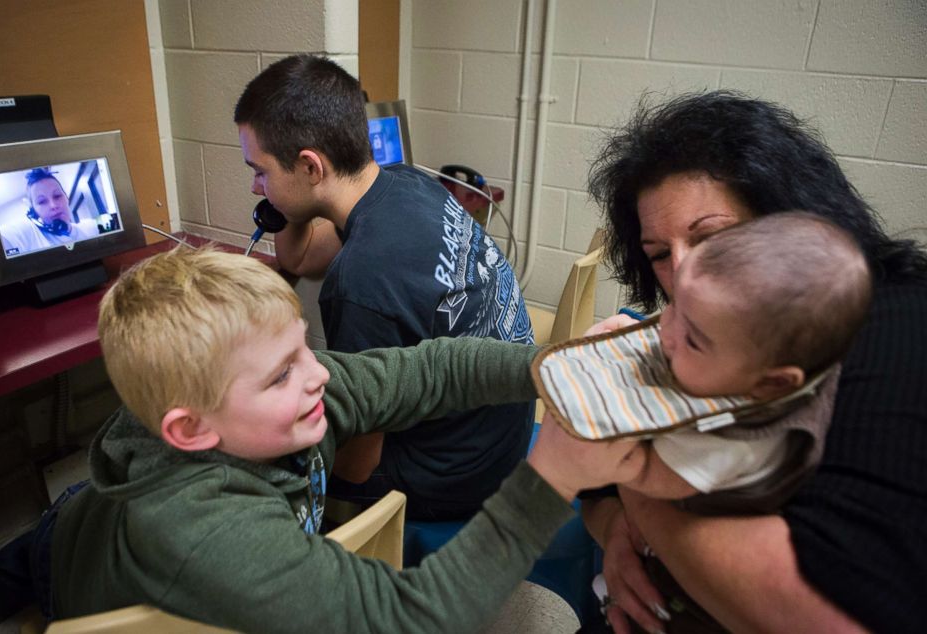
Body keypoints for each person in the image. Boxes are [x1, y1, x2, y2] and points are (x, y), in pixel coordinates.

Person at [46, 245, 637, 632]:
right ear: (192, 428)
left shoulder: (293, 396)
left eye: (304, 346)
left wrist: (556, 367)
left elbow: (433, 371)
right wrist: (553, 477)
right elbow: (412, 621)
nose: (320, 373)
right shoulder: (205, 530)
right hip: (80, 567)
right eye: (281, 373)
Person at [580, 91, 927, 633]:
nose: (686, 275)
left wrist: (637, 480)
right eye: (659, 255)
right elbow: (595, 489)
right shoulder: (703, 331)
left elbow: (828, 612)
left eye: (714, 237)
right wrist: (617, 532)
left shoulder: (894, 332)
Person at [232, 54, 535, 520]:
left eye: (260, 171)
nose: (255, 187)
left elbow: (359, 460)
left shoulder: (359, 284)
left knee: (260, 458)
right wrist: (288, 210)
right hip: (501, 433)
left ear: (312, 167)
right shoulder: (406, 182)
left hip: (458, 474)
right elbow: (299, 257)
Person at [545, 212, 871, 508]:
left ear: (771, 382)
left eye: (692, 340)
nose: (665, 332)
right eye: (673, 306)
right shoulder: (718, 334)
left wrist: (597, 433)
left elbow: (646, 473)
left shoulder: (738, 441)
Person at [0, 167, 99, 255]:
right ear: (34, 211)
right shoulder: (28, 234)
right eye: (42, 202)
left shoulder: (91, 227)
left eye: (57, 196)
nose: (53, 206)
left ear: (66, 197)